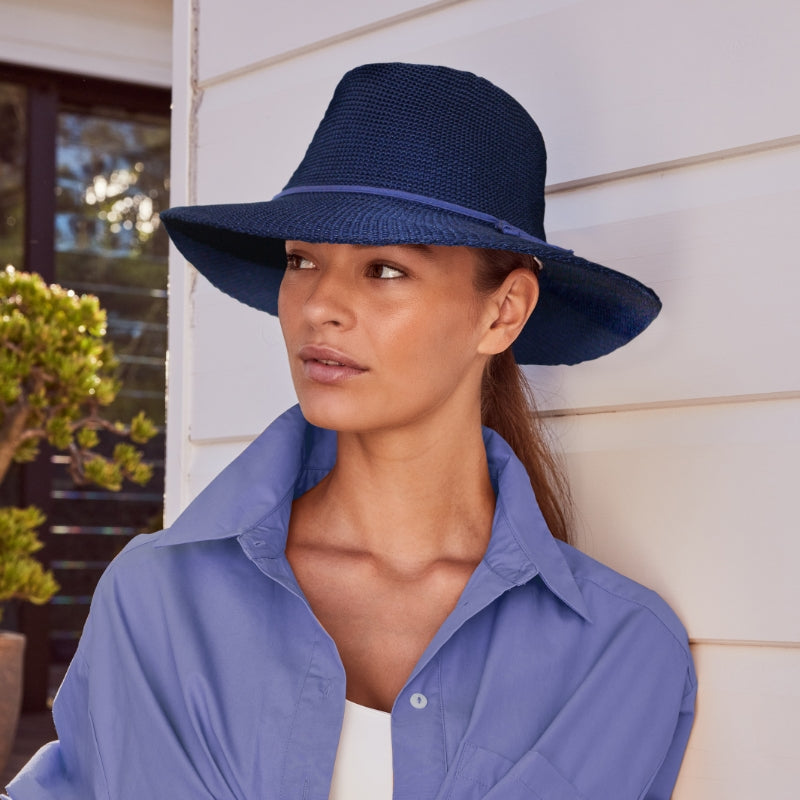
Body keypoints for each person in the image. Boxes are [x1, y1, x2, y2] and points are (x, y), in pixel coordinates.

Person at [6, 63, 696, 800]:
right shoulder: (159, 601)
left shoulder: (620, 656)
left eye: (384, 269)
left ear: (503, 313)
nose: (319, 305)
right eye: (302, 260)